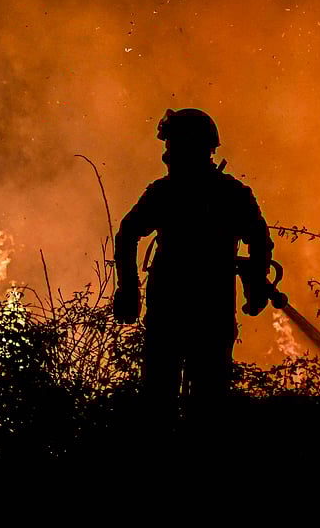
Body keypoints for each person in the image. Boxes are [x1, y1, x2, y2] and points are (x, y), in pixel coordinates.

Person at [113, 108, 274, 412]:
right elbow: (259, 242)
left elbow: (127, 235)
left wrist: (129, 291)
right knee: (207, 406)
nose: (167, 154)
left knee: (160, 404)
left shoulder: (165, 193)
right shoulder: (231, 193)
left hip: (171, 313)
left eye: (170, 145)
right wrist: (254, 287)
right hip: (210, 313)